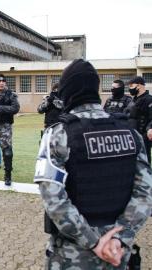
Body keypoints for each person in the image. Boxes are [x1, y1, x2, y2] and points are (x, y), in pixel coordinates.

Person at [34, 59, 152, 269]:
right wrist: (119, 238)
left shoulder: (58, 134)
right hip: (118, 253)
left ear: (67, 90)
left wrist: (95, 243)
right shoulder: (130, 133)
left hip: (74, 254)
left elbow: (54, 199)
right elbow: (145, 193)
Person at [126, 76, 152, 164]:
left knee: (144, 161)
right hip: (131, 136)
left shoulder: (149, 99)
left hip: (143, 137)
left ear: (139, 86)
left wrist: (150, 128)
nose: (130, 89)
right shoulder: (133, 100)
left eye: (131, 86)